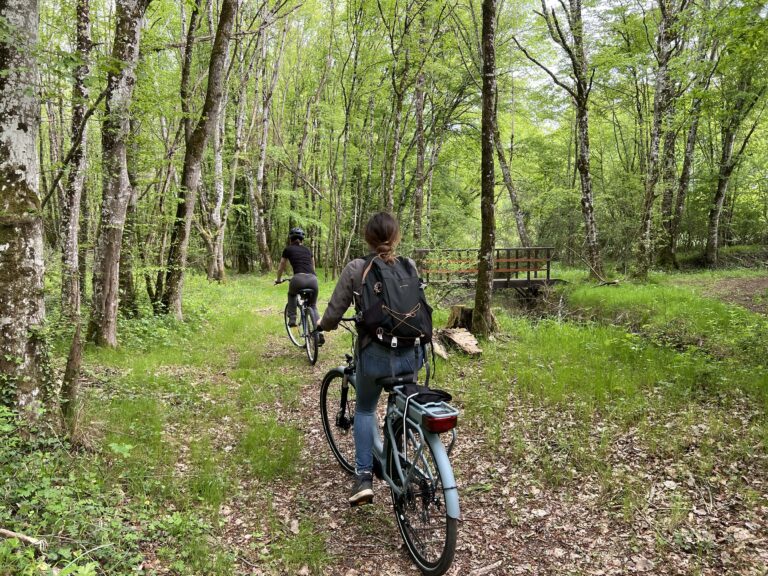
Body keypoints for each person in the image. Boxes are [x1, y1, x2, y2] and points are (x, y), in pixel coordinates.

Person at [318, 212, 423, 506]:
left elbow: (334, 313)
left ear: (367, 238)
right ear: (397, 236)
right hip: (412, 354)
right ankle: (396, 459)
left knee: (364, 409)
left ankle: (363, 477)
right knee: (399, 404)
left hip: (375, 356)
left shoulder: (356, 267)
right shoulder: (409, 265)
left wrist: (321, 326)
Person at [275, 228, 321, 337]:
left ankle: (292, 318)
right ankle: (320, 331)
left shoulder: (288, 249)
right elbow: (313, 266)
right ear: (302, 239)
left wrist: (278, 279)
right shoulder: (308, 250)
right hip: (313, 280)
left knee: (292, 294)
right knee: (313, 306)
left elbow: (282, 265)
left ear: (291, 239)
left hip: (298, 279)